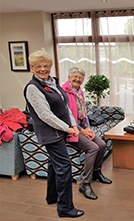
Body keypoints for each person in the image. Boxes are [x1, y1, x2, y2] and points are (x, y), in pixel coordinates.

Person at [23, 50, 84, 218]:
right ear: (32, 68)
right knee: (64, 167)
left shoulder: (52, 82)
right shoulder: (32, 88)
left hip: (61, 130)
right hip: (51, 133)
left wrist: (73, 123)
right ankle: (65, 208)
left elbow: (64, 106)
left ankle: (52, 197)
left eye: (46, 66)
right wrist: (67, 128)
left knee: (53, 164)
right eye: (38, 66)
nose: (43, 69)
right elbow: (45, 115)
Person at [62, 67, 112, 200]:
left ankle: (96, 172)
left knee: (101, 144)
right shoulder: (64, 93)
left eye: (80, 77)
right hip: (70, 130)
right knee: (93, 148)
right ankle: (85, 183)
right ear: (69, 77)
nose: (77, 79)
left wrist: (88, 129)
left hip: (81, 128)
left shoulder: (79, 93)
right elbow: (67, 117)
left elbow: (83, 115)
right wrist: (82, 131)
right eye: (75, 76)